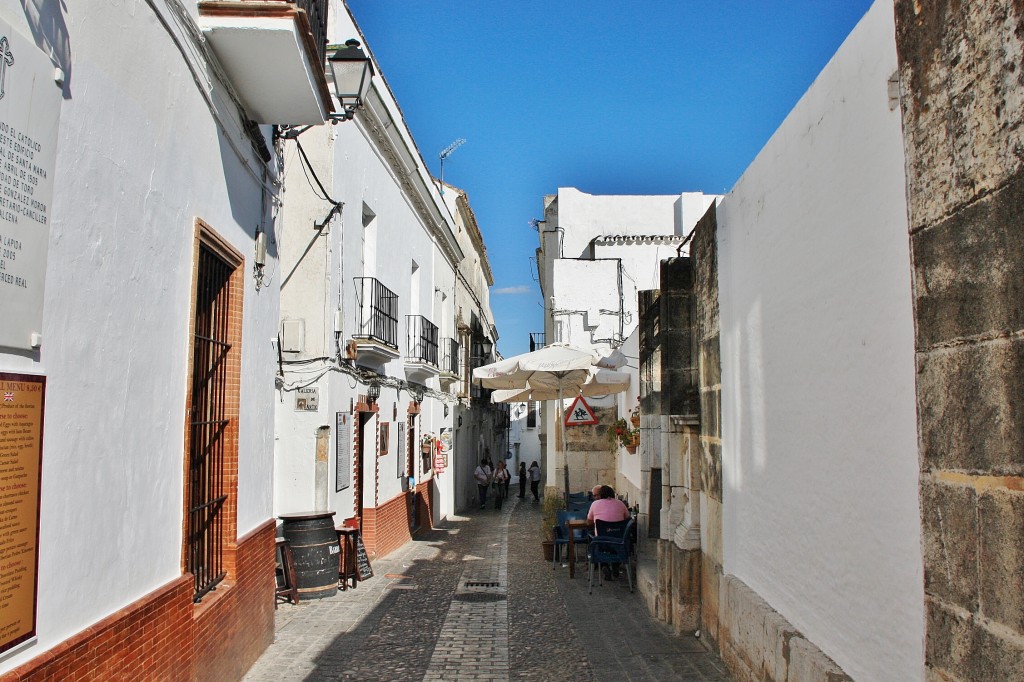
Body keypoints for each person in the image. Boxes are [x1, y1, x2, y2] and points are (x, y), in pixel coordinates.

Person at [587, 485, 631, 579]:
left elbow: (589, 521)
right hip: (618, 541)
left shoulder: (595, 504)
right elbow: (627, 518)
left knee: (593, 537)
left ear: (601, 495)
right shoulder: (620, 503)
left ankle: (604, 565)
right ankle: (616, 565)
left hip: (601, 542)